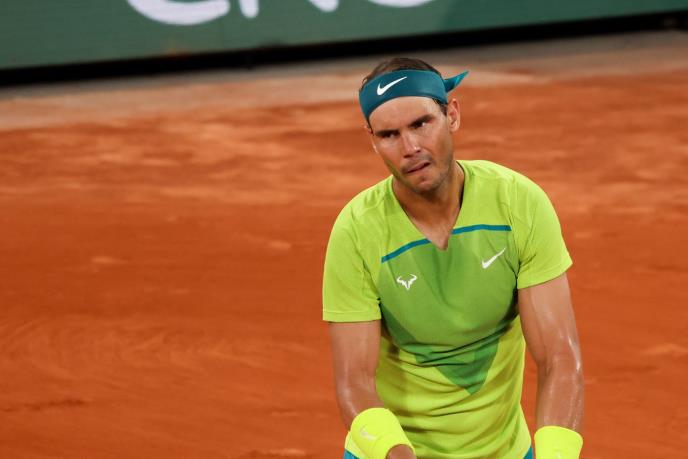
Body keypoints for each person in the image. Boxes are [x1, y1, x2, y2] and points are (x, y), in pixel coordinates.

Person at [322, 57, 584, 459]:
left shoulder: (517, 203)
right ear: (372, 140)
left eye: (421, 124)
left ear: (453, 115)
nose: (410, 148)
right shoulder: (356, 232)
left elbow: (559, 358)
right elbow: (354, 383)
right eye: (389, 134)